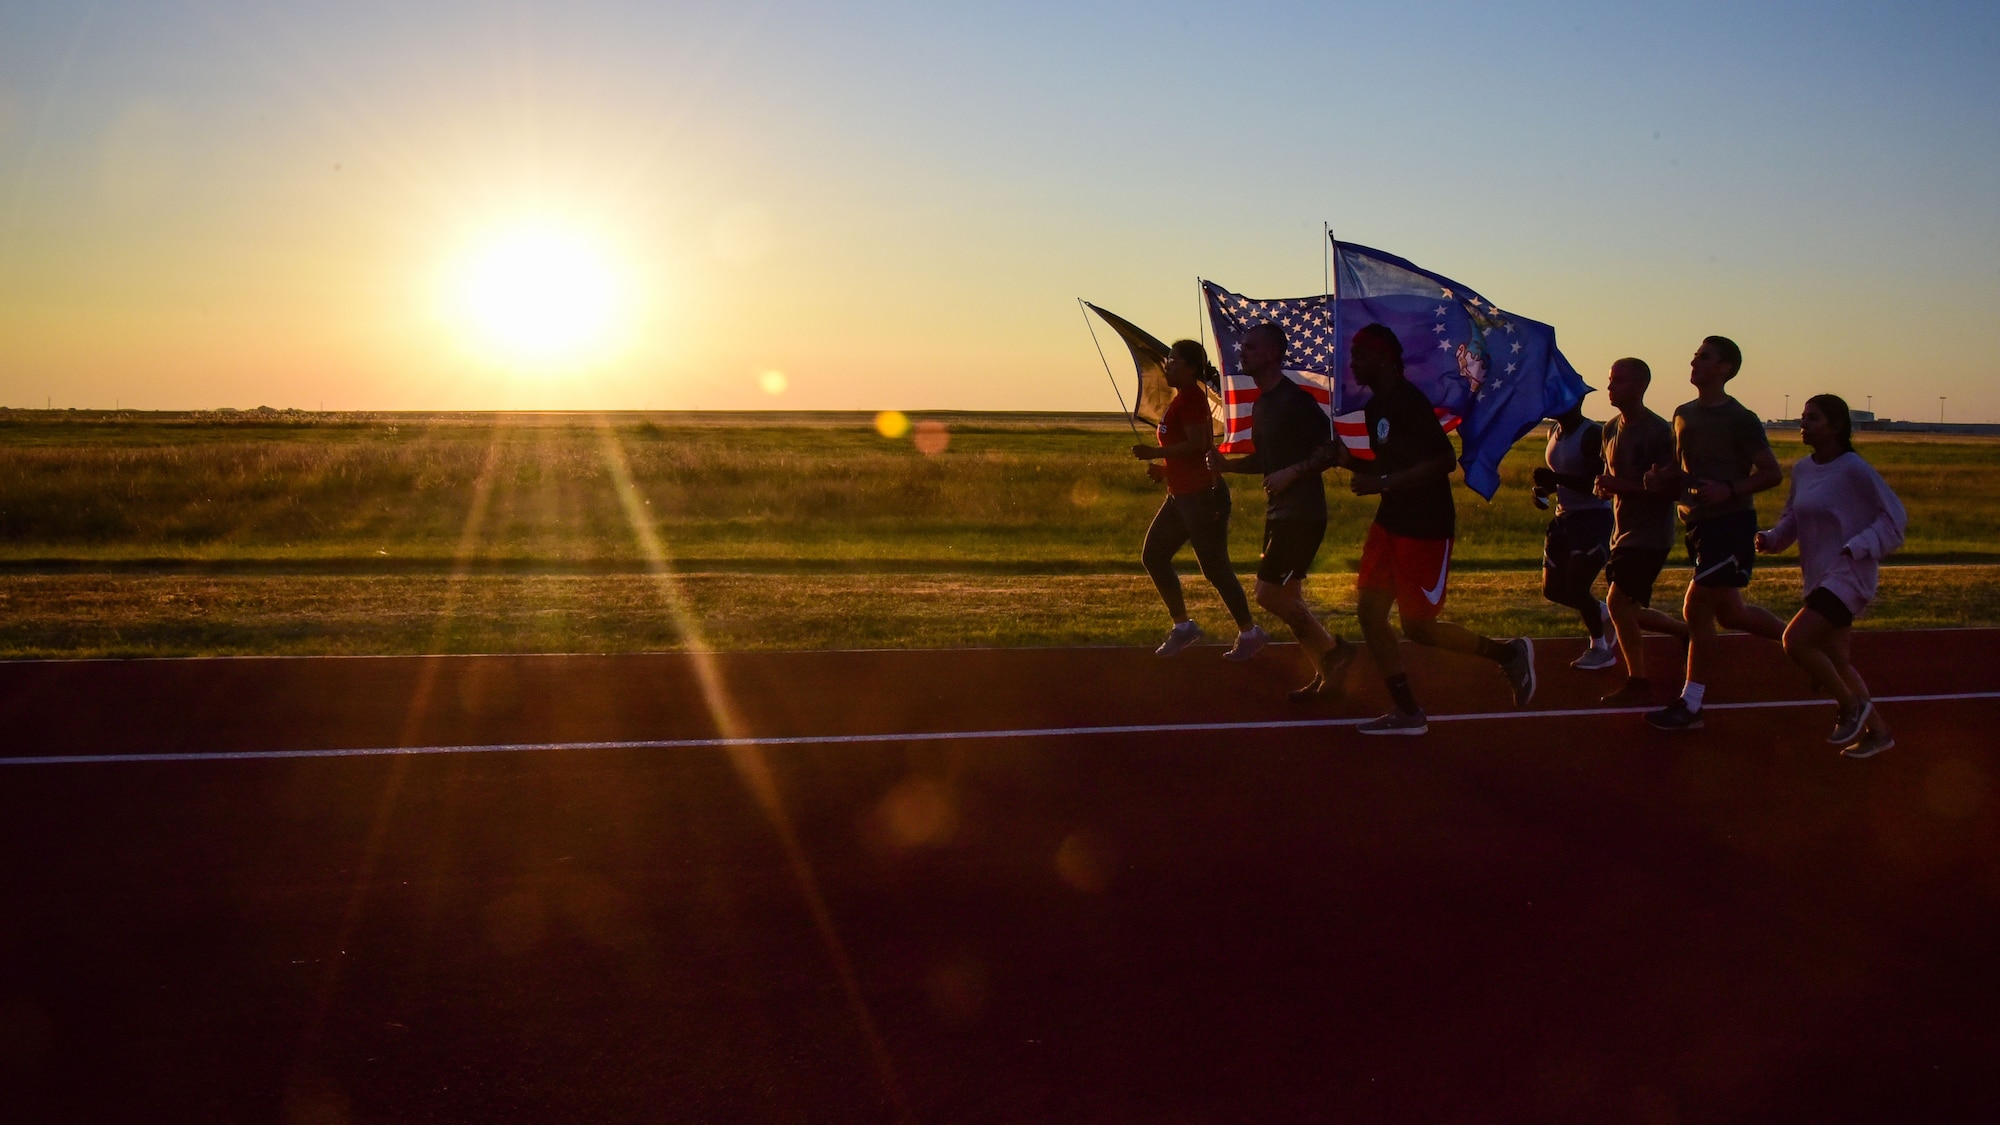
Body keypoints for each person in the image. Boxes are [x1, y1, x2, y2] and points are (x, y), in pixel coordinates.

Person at [1270, 323, 1534, 735]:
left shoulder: (1408, 402)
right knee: (1370, 613)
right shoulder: (1377, 407)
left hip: (1425, 526)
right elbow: (1387, 467)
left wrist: (1384, 483)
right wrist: (1348, 460)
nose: (1352, 363)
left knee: (1418, 628)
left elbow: (1443, 460)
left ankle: (1507, 654)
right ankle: (1408, 711)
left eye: (1360, 355)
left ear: (1385, 359)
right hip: (1390, 521)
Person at [1642, 336, 1787, 731]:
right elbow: (1677, 469)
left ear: (1726, 369)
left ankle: (1691, 705)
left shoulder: (1740, 418)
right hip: (1698, 525)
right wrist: (1657, 478)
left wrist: (1730, 488)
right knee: (1731, 612)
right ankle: (1804, 646)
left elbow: (1771, 473)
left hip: (1731, 524)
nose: (1694, 361)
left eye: (1704, 357)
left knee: (1695, 609)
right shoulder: (1682, 413)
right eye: (1695, 355)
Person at [1206, 323, 1357, 699]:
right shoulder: (1262, 403)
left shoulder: (1296, 400)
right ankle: (1327, 674)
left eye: (1251, 347)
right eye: (1242, 347)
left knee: (1267, 596)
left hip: (1303, 514)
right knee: (1290, 599)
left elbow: (1331, 451)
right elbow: (1265, 460)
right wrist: (1228, 466)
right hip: (1279, 513)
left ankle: (1334, 652)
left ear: (1273, 353)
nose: (1242, 353)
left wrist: (1293, 473)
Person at [1755, 394, 1905, 759]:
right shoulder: (1804, 469)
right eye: (1803, 417)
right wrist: (1773, 539)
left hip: (1849, 575)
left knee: (1796, 640)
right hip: (1819, 576)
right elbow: (1795, 515)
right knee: (1837, 661)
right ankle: (1879, 733)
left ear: (1836, 426)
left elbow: (1895, 518)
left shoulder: (1854, 468)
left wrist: (1860, 545)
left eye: (1814, 418)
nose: (1803, 424)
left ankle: (1849, 706)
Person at [1131, 339, 1270, 660]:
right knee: (1153, 556)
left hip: (1202, 495)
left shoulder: (1193, 399)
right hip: (1180, 495)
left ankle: (1250, 632)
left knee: (1215, 568)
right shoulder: (1179, 401)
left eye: (1175, 361)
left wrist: (1156, 453)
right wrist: (1166, 470)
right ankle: (1183, 627)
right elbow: (1188, 451)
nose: (1168, 365)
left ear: (1192, 368)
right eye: (1168, 360)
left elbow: (1199, 445)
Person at [1590, 358, 1692, 705]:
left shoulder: (1657, 432)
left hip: (1650, 534)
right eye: (1610, 380)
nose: (1610, 388)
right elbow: (1615, 477)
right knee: (1628, 610)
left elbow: (1670, 490)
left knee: (1617, 604)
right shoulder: (1610, 429)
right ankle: (1683, 633)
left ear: (1640, 386)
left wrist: (1622, 486)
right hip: (1622, 532)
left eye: (1618, 381)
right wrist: (1604, 487)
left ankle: (1638, 681)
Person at [1531, 398, 1615, 671]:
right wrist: (1545, 491)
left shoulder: (1591, 434)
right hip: (1563, 518)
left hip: (1593, 518)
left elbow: (1596, 484)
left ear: (1576, 401)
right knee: (1553, 590)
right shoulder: (1552, 432)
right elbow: (1564, 479)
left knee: (1577, 587)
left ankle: (1600, 648)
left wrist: (1556, 480)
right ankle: (1602, 611)